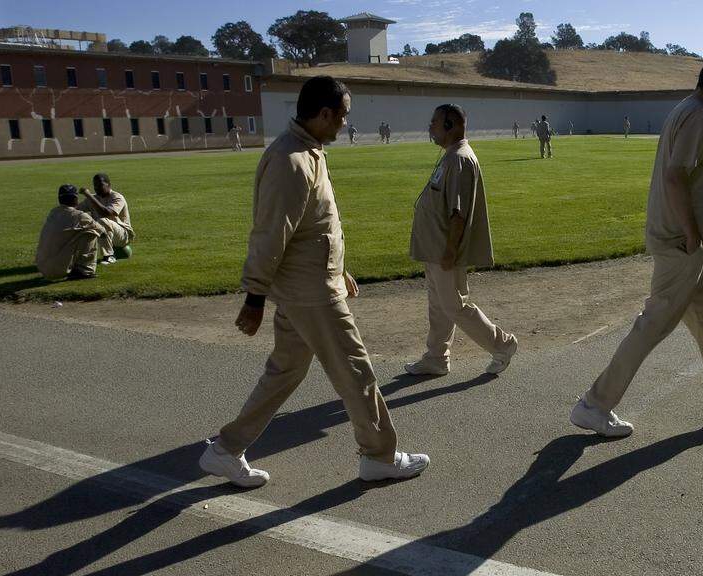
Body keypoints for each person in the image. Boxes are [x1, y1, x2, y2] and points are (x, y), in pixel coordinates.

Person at [198, 76, 429, 488]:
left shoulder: (309, 152)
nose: (344, 123)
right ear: (324, 114)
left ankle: (225, 450)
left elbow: (313, 226)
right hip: (311, 295)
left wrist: (339, 272)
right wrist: (254, 297)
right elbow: (270, 234)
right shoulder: (290, 161)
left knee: (284, 372)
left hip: (312, 286)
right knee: (355, 373)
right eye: (342, 116)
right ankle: (379, 456)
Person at [569, 57, 703, 438]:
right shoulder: (698, 116)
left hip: (696, 243)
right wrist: (691, 234)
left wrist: (699, 238)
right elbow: (675, 176)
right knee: (652, 326)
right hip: (682, 243)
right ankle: (594, 405)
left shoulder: (689, 112)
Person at [405, 104, 518, 377]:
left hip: (445, 249)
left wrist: (450, 250)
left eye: (434, 123)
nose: (430, 127)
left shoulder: (459, 159)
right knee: (439, 305)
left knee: (455, 305)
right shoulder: (450, 156)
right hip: (435, 248)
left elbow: (458, 213)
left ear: (450, 125)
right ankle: (436, 357)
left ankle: (502, 345)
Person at [35, 184, 101, 280]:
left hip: (42, 268)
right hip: (59, 270)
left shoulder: (53, 212)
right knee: (91, 232)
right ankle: (85, 271)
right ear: (75, 199)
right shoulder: (80, 216)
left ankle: (73, 267)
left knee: (74, 236)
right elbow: (102, 232)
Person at [78, 173, 134, 262]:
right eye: (95, 185)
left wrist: (88, 195)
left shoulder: (117, 197)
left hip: (123, 235)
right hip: (104, 233)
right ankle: (80, 258)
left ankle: (109, 256)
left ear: (109, 184)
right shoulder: (93, 198)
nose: (97, 188)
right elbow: (76, 211)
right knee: (81, 221)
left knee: (102, 221)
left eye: (100, 185)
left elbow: (106, 213)